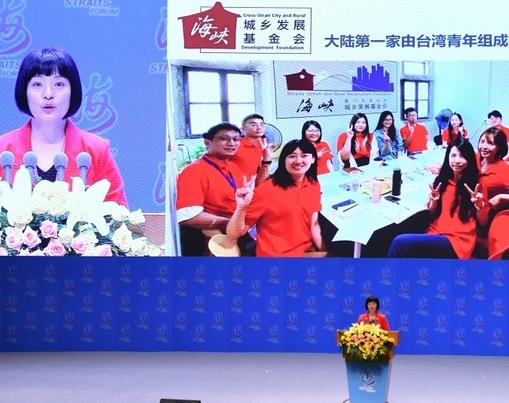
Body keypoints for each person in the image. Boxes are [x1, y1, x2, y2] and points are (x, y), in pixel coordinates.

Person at [0, 48, 127, 206]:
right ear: (23, 91)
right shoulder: (2, 149)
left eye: (59, 84)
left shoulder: (97, 150)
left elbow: (119, 214)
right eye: (37, 84)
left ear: (73, 91)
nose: (48, 94)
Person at [227, 139, 325, 257]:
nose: (298, 161)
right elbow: (233, 234)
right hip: (277, 257)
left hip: (304, 250)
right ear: (283, 160)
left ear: (313, 159)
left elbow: (314, 224)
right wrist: (241, 207)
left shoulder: (313, 185)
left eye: (304, 156)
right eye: (292, 156)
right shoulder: (267, 190)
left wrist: (324, 250)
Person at [387, 139, 479, 259]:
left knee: (400, 243)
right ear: (447, 157)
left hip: (457, 241)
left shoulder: (475, 185)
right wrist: (434, 201)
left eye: (462, 156)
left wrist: (479, 205)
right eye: (453, 155)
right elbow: (432, 213)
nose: (457, 160)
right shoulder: (442, 181)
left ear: (469, 159)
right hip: (437, 231)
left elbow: (482, 222)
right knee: (395, 232)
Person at [176, 123, 246, 255]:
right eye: (224, 138)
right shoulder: (194, 171)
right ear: (207, 142)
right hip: (209, 241)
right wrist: (231, 223)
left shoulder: (233, 168)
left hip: (234, 234)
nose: (231, 143)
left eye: (236, 139)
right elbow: (188, 216)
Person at [466, 127, 509, 258]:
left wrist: (501, 197)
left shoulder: (503, 170)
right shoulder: (477, 158)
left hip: (486, 217)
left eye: (490, 143)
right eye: (482, 141)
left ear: (499, 147)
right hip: (470, 208)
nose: (484, 146)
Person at [230, 114, 274, 185]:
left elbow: (260, 180)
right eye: (253, 125)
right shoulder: (235, 145)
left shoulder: (263, 144)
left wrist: (267, 158)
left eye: (261, 124)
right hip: (236, 186)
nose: (259, 128)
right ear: (242, 129)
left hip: (254, 184)